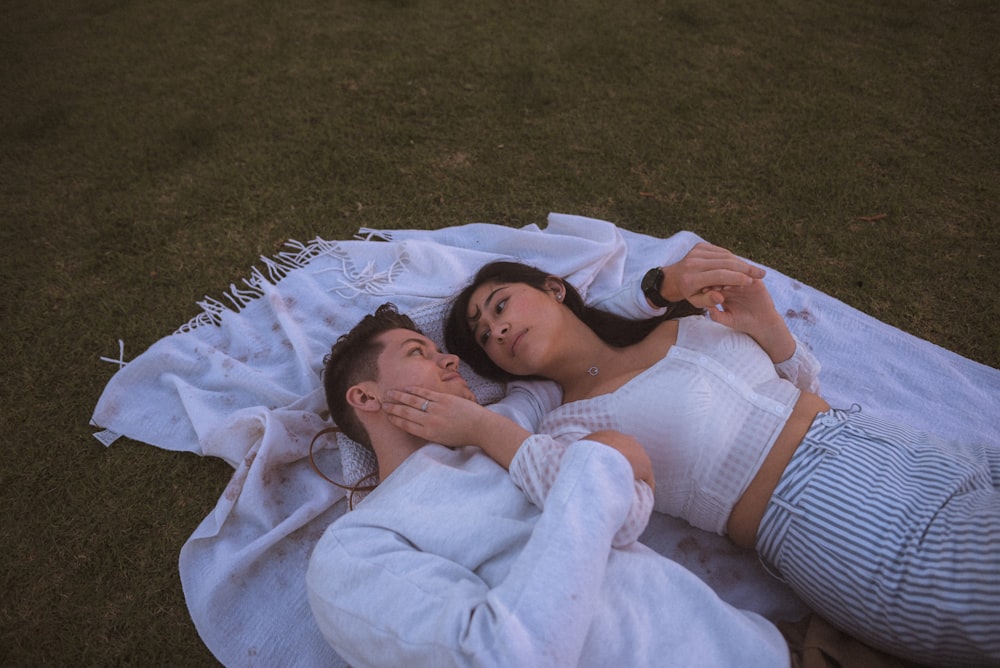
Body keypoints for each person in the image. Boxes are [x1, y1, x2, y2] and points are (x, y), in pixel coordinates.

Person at [382, 255, 1000, 667]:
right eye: (485, 341)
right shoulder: (566, 428)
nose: (496, 331)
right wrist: (480, 425)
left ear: (554, 288)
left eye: (498, 306)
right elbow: (582, 495)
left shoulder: (680, 320)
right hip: (831, 520)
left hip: (898, 445)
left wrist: (768, 325)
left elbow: (797, 377)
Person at [305, 303, 792, 668]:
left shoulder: (506, 426)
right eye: (419, 353)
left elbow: (563, 340)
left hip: (761, 646)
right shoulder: (356, 545)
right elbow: (505, 656)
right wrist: (601, 463)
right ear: (366, 396)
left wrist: (656, 289)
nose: (451, 359)